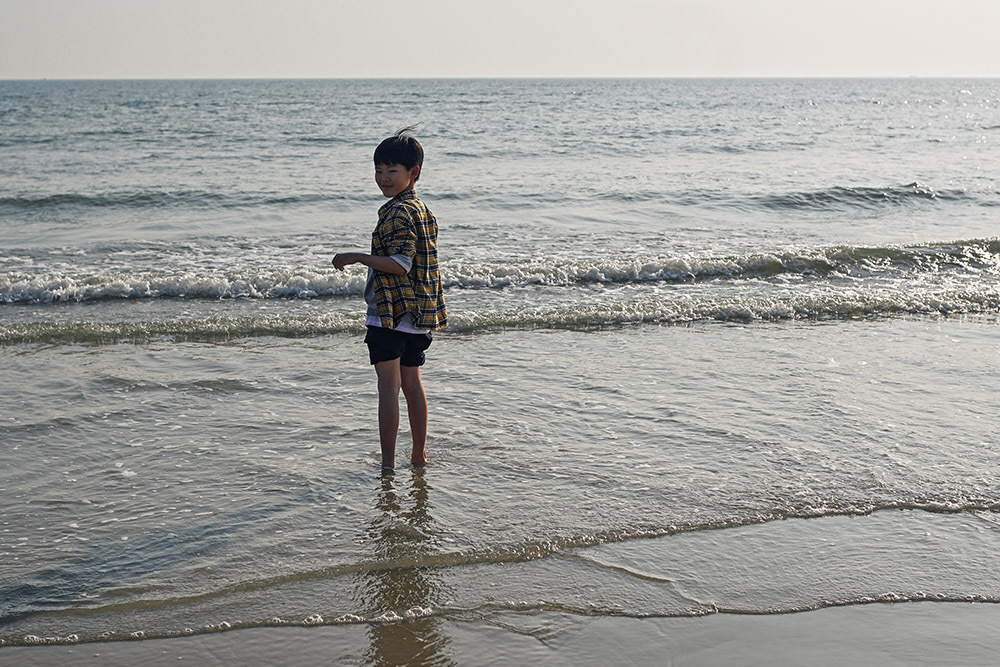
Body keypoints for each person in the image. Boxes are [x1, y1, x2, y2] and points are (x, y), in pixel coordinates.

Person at [332, 128, 447, 471]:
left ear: (413, 173)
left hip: (390, 313)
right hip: (419, 314)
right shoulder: (423, 210)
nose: (383, 178)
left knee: (388, 389)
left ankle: (386, 465)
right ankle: (419, 455)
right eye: (378, 171)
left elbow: (400, 265)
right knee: (412, 385)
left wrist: (357, 256)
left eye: (391, 171)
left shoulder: (397, 213)